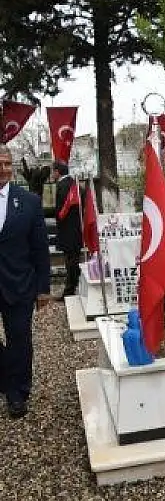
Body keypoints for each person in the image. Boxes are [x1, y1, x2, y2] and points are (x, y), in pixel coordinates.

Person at [0, 146, 52, 418]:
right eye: (0, 163)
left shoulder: (29, 202)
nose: (4, 168)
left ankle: (18, 393)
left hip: (19, 285)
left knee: (19, 339)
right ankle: (6, 379)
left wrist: (43, 289)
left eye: (7, 163)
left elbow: (40, 249)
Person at [51, 161, 83, 298]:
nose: (52, 174)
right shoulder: (75, 184)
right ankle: (74, 286)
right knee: (73, 260)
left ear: (57, 171)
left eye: (53, 171)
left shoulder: (63, 186)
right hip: (76, 229)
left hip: (67, 230)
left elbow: (60, 210)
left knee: (70, 262)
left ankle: (69, 291)